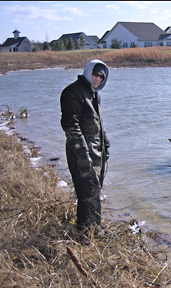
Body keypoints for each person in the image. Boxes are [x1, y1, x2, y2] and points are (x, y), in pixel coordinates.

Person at [60, 59, 110, 229]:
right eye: (96, 74)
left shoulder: (93, 94)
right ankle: (86, 232)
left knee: (94, 192)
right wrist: (82, 155)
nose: (98, 79)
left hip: (97, 152)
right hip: (81, 154)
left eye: (101, 77)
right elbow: (70, 126)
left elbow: (97, 123)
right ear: (89, 72)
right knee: (86, 194)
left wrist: (106, 146)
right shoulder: (73, 92)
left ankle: (94, 228)